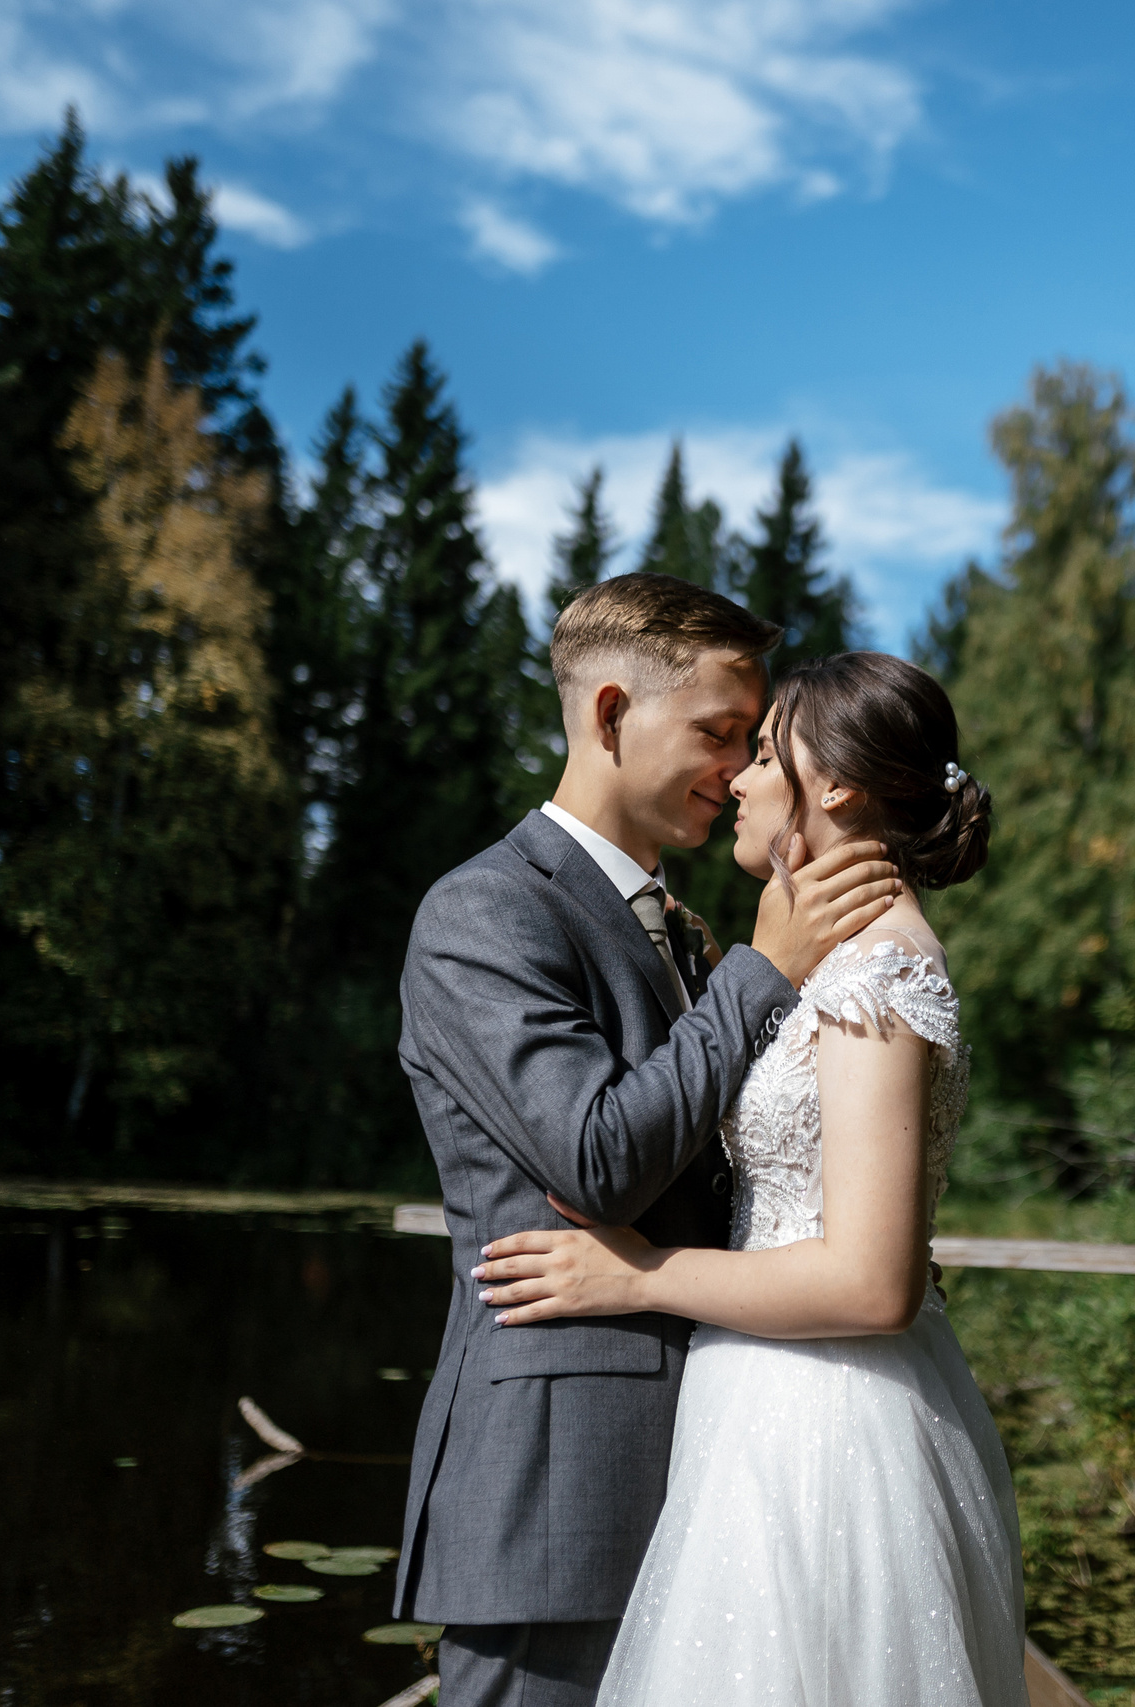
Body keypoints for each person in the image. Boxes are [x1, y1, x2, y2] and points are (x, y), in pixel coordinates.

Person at [471, 651, 1027, 1707]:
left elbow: (873, 1285)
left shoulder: (879, 976)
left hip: (823, 1424)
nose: (737, 779)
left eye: (765, 753)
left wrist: (637, 1277)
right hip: (766, 1402)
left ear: (837, 789)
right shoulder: (838, 963)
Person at [390, 575, 905, 1707]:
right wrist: (766, 972)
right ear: (611, 714)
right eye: (719, 734)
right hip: (562, 1488)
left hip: (728, 1476)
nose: (737, 771)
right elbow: (597, 1160)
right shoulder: (483, 912)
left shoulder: (685, 929)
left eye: (751, 741)